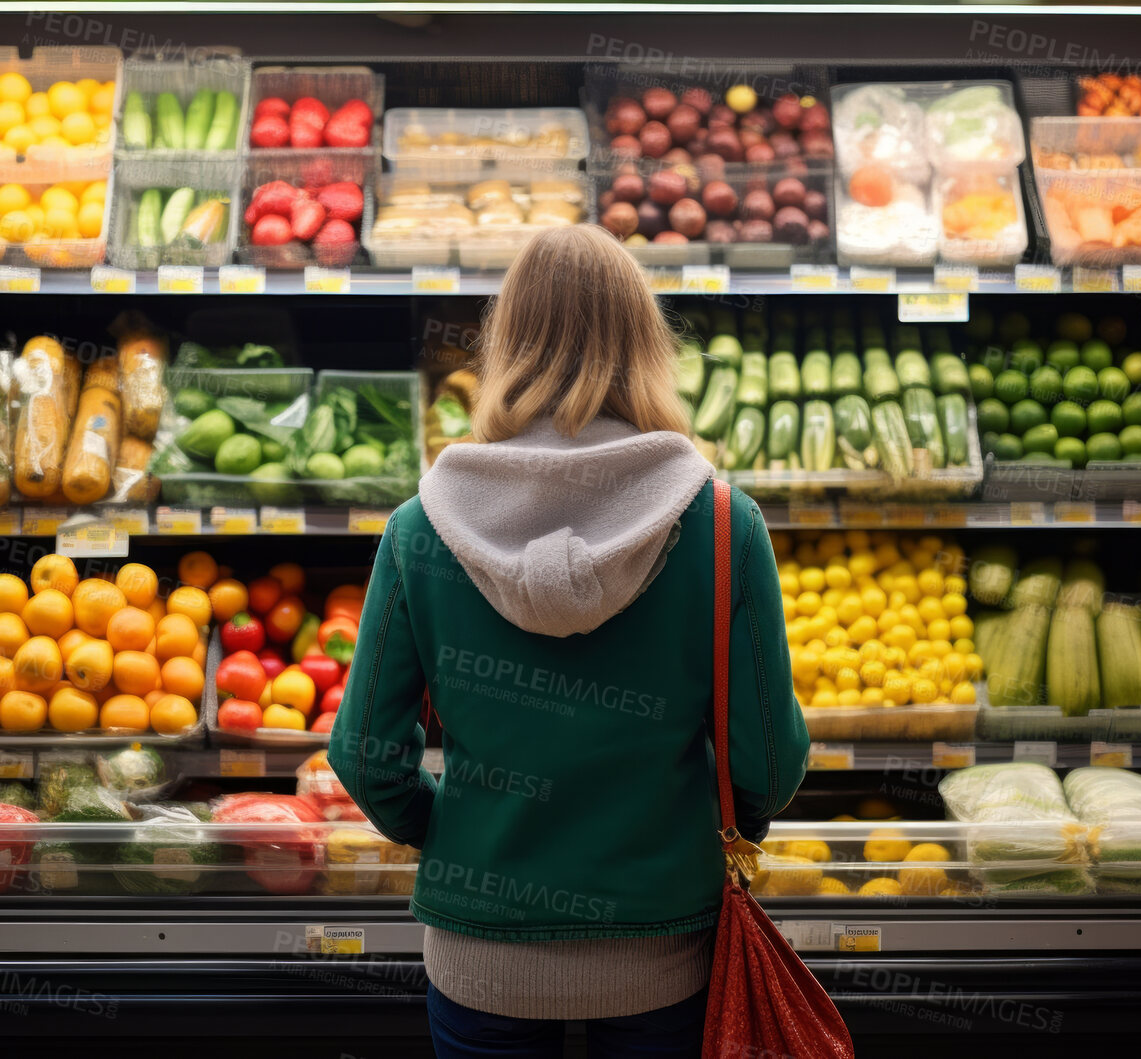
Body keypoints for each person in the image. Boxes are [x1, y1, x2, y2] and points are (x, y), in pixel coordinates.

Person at [328, 224, 809, 1057]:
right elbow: (767, 762)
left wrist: (445, 824)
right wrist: (723, 828)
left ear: (504, 343)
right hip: (664, 950)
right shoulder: (724, 523)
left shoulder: (420, 528)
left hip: (482, 956)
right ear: (644, 344)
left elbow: (366, 757)